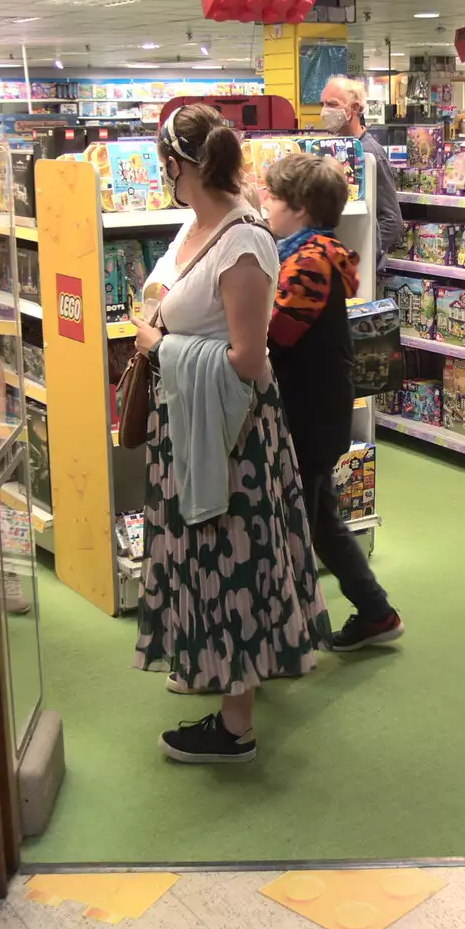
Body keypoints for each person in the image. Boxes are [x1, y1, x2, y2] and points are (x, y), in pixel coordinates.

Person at [131, 104, 331, 764]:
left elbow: (248, 357)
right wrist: (159, 319)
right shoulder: (199, 226)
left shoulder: (242, 240)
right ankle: (218, 672)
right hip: (193, 421)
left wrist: (161, 347)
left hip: (229, 433)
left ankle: (236, 726)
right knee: (201, 555)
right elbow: (161, 285)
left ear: (182, 167)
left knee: (230, 559)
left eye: (168, 169)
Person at [260, 152, 404, 652]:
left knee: (300, 519)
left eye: (273, 196)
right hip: (316, 408)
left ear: (300, 207)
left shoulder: (306, 263)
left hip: (309, 413)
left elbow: (275, 334)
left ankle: (296, 627)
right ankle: (374, 610)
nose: (265, 202)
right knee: (318, 517)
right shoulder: (313, 252)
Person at [319, 76, 402, 266]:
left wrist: (360, 256)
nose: (324, 111)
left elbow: (392, 221)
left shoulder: (370, 154)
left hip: (359, 271)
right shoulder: (329, 148)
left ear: (354, 108)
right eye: (322, 104)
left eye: (332, 104)